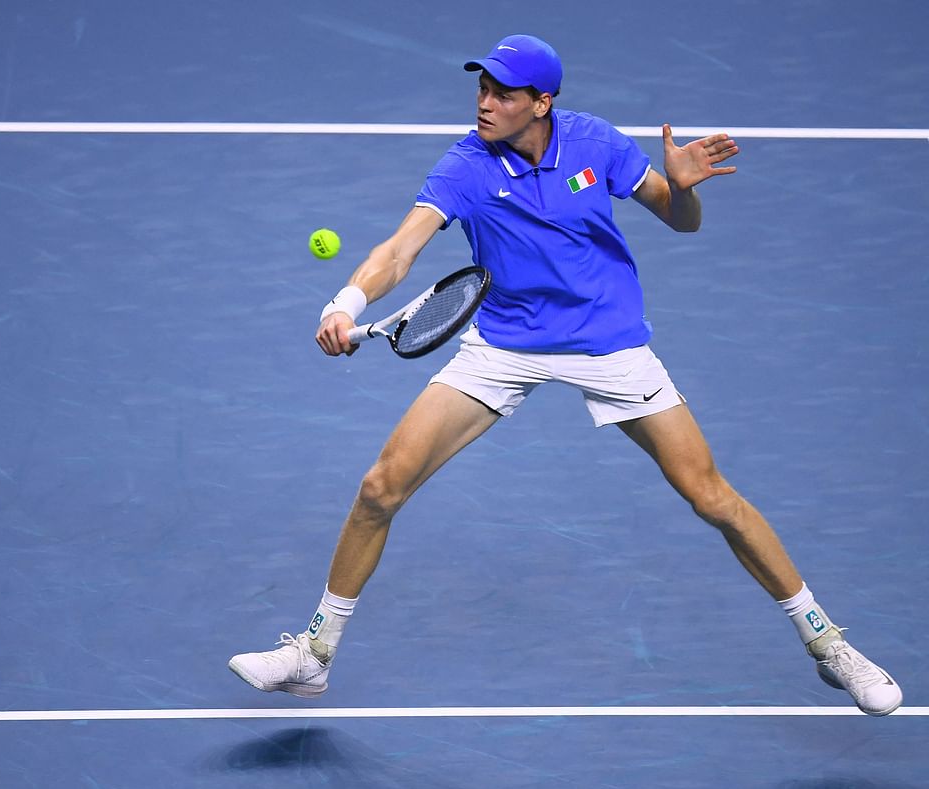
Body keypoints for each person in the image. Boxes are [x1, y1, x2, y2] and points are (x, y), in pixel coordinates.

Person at [228, 34, 902, 715]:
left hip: (609, 345)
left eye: (502, 94)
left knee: (711, 497)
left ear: (542, 102)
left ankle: (827, 644)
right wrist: (345, 302)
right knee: (380, 487)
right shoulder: (465, 164)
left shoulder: (597, 144)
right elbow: (399, 248)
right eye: (481, 89)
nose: (484, 104)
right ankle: (313, 657)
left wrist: (686, 189)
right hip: (506, 344)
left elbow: (679, 218)